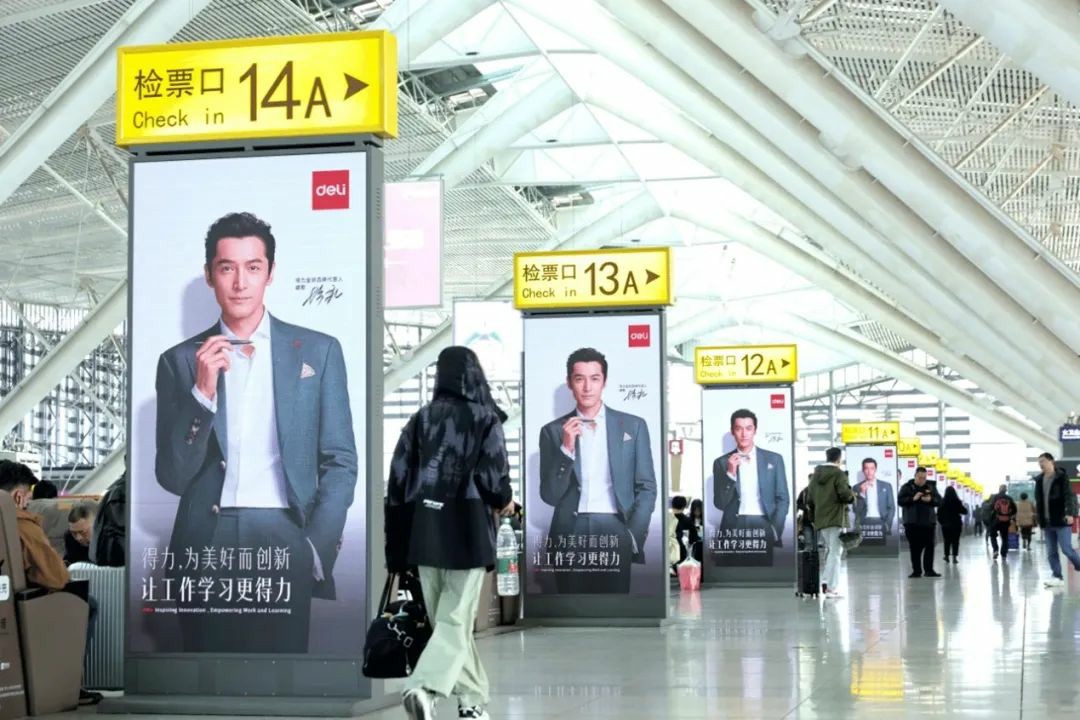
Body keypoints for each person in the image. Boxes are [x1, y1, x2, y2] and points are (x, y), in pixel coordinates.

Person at [154, 211, 358, 653]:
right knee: (207, 677)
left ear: (270, 273)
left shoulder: (319, 351)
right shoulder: (180, 361)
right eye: (227, 268)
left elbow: (340, 460)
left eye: (253, 267)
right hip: (206, 541)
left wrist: (316, 546)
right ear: (210, 275)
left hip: (284, 534)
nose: (240, 282)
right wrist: (202, 395)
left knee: (281, 676)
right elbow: (172, 476)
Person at [385, 346, 515, 720]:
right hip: (467, 531)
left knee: (448, 623)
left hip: (424, 534)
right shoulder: (484, 418)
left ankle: (472, 702)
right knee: (455, 620)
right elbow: (491, 478)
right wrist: (505, 499)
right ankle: (424, 688)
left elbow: (397, 484)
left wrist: (396, 547)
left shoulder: (420, 419)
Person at [538, 347, 657, 594]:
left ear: (604, 381)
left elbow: (647, 486)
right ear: (569, 383)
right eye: (579, 379)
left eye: (594, 378)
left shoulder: (633, 426)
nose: (587, 387)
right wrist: (566, 450)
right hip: (570, 532)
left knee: (614, 608)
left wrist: (633, 535)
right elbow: (549, 495)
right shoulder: (552, 431)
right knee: (571, 608)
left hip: (616, 527)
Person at [0, 461, 101, 705]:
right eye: (27, 497)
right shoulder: (22, 525)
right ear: (18, 497)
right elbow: (56, 578)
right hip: (24, 605)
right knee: (88, 603)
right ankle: (70, 684)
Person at [712, 408, 790, 565]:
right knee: (732, 574)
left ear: (755, 430)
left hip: (763, 524)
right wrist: (731, 474)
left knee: (761, 575)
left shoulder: (774, 459)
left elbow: (783, 498)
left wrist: (775, 529)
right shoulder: (721, 462)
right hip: (733, 526)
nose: (744, 434)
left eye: (748, 428)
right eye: (738, 428)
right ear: (732, 431)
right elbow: (720, 503)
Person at [807, 447, 854, 599]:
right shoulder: (839, 474)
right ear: (839, 459)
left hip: (821, 519)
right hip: (835, 518)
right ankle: (830, 587)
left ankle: (826, 581)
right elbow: (845, 495)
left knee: (830, 550)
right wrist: (852, 496)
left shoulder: (816, 475)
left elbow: (809, 498)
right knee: (835, 552)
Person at [1034, 452, 1080, 589]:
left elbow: (1069, 496)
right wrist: (1039, 519)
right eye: (1039, 462)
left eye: (1043, 461)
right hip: (1047, 522)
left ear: (1051, 461)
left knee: (1066, 549)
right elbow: (1039, 501)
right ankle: (1057, 576)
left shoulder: (1061, 477)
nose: (1041, 464)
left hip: (1061, 520)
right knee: (1051, 552)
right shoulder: (1039, 480)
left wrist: (1070, 513)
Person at [898, 467, 942, 578]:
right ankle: (916, 571)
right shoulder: (907, 487)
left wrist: (931, 500)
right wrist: (913, 498)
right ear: (915, 476)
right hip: (912, 524)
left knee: (930, 547)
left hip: (929, 523)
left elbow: (940, 501)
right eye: (920, 477)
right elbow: (900, 501)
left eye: (924, 478)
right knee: (915, 548)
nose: (922, 480)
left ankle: (929, 570)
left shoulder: (931, 487)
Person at [853, 457, 895, 544]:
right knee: (866, 549)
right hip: (864, 523)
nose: (869, 471)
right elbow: (856, 509)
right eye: (866, 468)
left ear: (875, 469)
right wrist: (862, 493)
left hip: (882, 522)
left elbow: (891, 507)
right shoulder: (857, 487)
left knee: (883, 549)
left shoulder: (886, 486)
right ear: (863, 470)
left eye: (872, 468)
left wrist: (887, 525)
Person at [937, 486, 968, 564]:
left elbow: (939, 514)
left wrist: (942, 522)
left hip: (945, 525)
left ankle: (946, 556)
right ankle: (954, 557)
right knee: (955, 541)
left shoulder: (942, 502)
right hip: (956, 524)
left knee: (947, 541)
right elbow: (964, 511)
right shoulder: (957, 501)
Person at [987, 484, 1017, 562]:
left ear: (999, 489)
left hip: (995, 520)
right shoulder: (1009, 498)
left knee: (993, 536)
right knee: (1004, 538)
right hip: (1006, 521)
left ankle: (995, 550)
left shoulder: (995, 497)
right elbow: (1014, 510)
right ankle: (1003, 554)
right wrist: (1009, 515)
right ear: (1006, 490)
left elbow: (990, 507)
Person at [669, 495, 693, 569]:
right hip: (680, 551)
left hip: (667, 550)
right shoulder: (687, 520)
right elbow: (693, 537)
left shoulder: (666, 519)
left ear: (672, 505)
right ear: (684, 507)